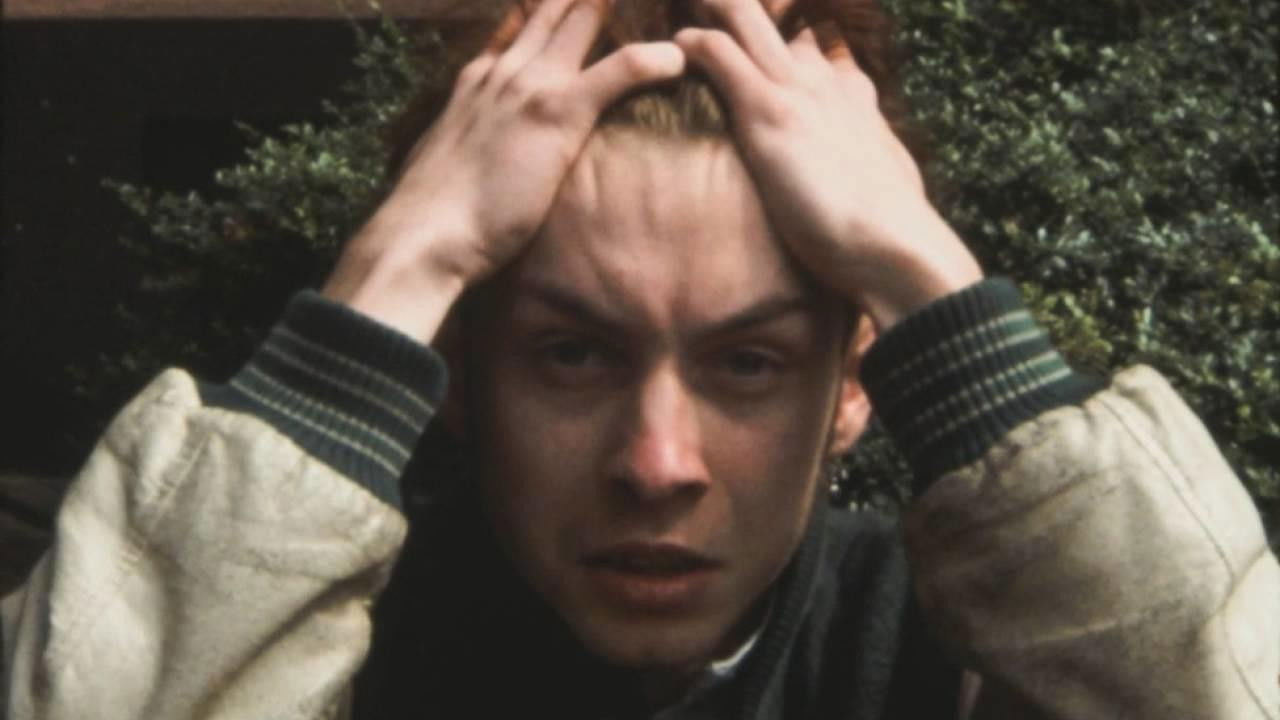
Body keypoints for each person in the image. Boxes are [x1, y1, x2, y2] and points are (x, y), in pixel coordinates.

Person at [3, 0, 1277, 718]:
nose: (657, 463)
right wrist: (406, 255)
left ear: (852, 385)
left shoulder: (961, 663)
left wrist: (917, 267)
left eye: (748, 364)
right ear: (458, 372)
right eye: (570, 354)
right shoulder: (328, 651)